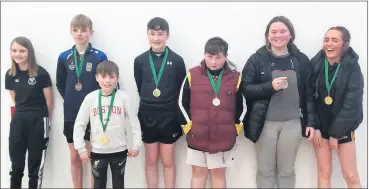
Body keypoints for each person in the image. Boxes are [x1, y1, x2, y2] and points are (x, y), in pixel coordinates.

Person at [241, 16, 315, 188]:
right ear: (267, 36)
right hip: (264, 123)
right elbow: (246, 89)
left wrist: (311, 122)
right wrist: (270, 86)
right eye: (273, 32)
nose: (278, 35)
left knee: (286, 171)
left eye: (283, 31)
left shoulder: (301, 60)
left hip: (293, 123)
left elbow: (309, 94)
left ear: (291, 35)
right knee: (265, 170)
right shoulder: (257, 59)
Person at [178, 37, 245, 188]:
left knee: (218, 175)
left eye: (218, 57)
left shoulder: (235, 77)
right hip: (197, 135)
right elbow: (181, 103)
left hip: (223, 136)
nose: (214, 62)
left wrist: (236, 128)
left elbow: (243, 106)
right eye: (210, 57)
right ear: (204, 54)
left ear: (226, 57)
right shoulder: (192, 74)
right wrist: (188, 126)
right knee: (198, 174)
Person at [56, 14, 110, 188]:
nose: (79, 33)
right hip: (72, 114)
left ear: (91, 32)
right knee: (75, 156)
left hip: (94, 114)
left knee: (94, 157)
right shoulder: (64, 57)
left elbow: (107, 83)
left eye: (83, 30)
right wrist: (72, 99)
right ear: (70, 32)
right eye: (76, 30)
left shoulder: (99, 56)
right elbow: (60, 83)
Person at [133, 17, 187, 188]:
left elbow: (181, 90)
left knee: (168, 161)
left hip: (169, 116)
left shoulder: (177, 60)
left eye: (160, 34)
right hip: (147, 115)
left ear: (167, 35)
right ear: (147, 35)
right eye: (152, 34)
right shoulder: (140, 60)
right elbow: (140, 87)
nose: (156, 38)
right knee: (150, 161)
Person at [73, 60, 142, 189]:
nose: (107, 80)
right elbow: (79, 124)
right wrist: (80, 148)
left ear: (117, 78)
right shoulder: (90, 98)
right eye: (103, 76)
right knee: (98, 185)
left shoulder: (123, 98)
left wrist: (136, 145)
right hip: (98, 151)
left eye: (111, 77)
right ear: (97, 77)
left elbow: (135, 123)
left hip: (119, 151)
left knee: (118, 184)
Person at [311, 26, 363, 188]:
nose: (329, 44)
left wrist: (336, 134)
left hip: (343, 130)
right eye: (326, 40)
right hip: (321, 129)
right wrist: (314, 125)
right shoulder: (316, 64)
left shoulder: (352, 67)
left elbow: (351, 105)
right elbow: (309, 97)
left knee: (351, 175)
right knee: (323, 172)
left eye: (335, 40)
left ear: (344, 44)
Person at [5, 36, 54, 189]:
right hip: (18, 121)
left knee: (34, 167)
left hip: (38, 121)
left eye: (22, 50)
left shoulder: (41, 73)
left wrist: (42, 119)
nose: (17, 54)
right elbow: (15, 99)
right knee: (16, 166)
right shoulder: (10, 74)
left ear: (29, 52)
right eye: (14, 50)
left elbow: (49, 102)